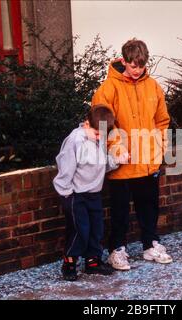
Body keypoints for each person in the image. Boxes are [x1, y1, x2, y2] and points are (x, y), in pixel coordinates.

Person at [92, 38, 173, 271]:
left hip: (148, 161)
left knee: (149, 206)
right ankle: (117, 250)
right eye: (133, 65)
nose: (137, 70)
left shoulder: (153, 87)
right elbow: (104, 123)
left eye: (141, 65)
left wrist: (159, 148)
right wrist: (117, 149)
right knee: (120, 210)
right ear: (124, 61)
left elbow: (162, 121)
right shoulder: (108, 88)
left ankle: (150, 245)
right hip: (123, 163)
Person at [53, 105, 129, 281]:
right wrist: (66, 193)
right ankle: (69, 263)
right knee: (80, 230)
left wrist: (116, 160)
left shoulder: (99, 137)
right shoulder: (75, 140)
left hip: (94, 193)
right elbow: (65, 169)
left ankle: (93, 262)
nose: (100, 137)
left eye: (102, 135)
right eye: (96, 134)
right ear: (86, 124)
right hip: (75, 195)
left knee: (97, 229)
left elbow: (102, 164)